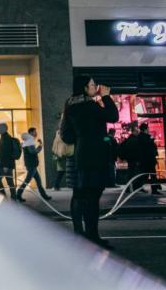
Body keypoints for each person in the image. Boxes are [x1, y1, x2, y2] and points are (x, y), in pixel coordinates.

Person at [61, 75, 118, 250]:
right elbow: (113, 116)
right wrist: (107, 96)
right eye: (93, 85)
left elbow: (66, 134)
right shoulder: (90, 105)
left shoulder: (70, 106)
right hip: (96, 155)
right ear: (85, 88)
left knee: (81, 195)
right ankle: (93, 236)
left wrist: (81, 137)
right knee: (93, 196)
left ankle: (81, 234)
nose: (96, 87)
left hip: (81, 155)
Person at [16, 128, 52, 202]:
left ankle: (44, 196)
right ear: (31, 132)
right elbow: (33, 152)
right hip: (31, 165)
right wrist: (40, 146)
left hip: (31, 164)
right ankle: (18, 194)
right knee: (27, 181)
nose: (36, 133)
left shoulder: (28, 140)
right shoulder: (29, 141)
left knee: (38, 182)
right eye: (35, 132)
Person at [0, 123, 18, 200]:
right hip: (6, 164)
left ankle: (4, 196)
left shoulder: (6, 138)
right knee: (10, 181)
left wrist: (6, 166)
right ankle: (13, 198)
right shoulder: (4, 137)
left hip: (4, 165)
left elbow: (6, 153)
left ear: (4, 129)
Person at [138, 123, 161, 195]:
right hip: (148, 159)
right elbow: (149, 148)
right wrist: (151, 139)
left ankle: (141, 187)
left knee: (146, 175)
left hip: (145, 160)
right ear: (145, 129)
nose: (149, 129)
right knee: (151, 175)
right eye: (148, 128)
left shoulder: (141, 137)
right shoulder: (146, 138)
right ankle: (154, 189)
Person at [118, 124, 141, 191]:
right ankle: (135, 187)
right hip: (134, 159)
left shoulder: (128, 139)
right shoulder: (134, 140)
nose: (138, 133)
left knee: (131, 173)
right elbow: (136, 151)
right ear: (134, 132)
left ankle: (128, 188)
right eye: (137, 132)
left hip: (130, 159)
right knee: (135, 173)